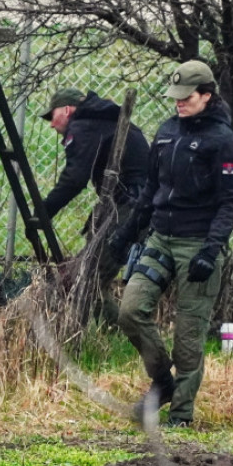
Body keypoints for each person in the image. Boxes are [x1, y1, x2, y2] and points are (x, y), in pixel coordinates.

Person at [109, 60, 233, 427]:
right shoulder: (167, 131)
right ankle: (163, 382)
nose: (179, 103)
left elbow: (232, 202)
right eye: (176, 97)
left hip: (198, 243)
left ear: (207, 95)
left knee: (188, 337)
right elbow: (151, 189)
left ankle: (181, 416)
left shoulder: (223, 142)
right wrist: (125, 235)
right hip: (160, 238)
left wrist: (210, 249)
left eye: (187, 97)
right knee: (130, 311)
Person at [40, 87, 150, 323]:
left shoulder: (83, 126)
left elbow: (75, 178)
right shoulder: (105, 122)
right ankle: (114, 333)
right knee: (89, 278)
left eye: (52, 116)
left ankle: (123, 335)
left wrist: (45, 209)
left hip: (127, 208)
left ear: (67, 110)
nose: (51, 124)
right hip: (134, 204)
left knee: (87, 280)